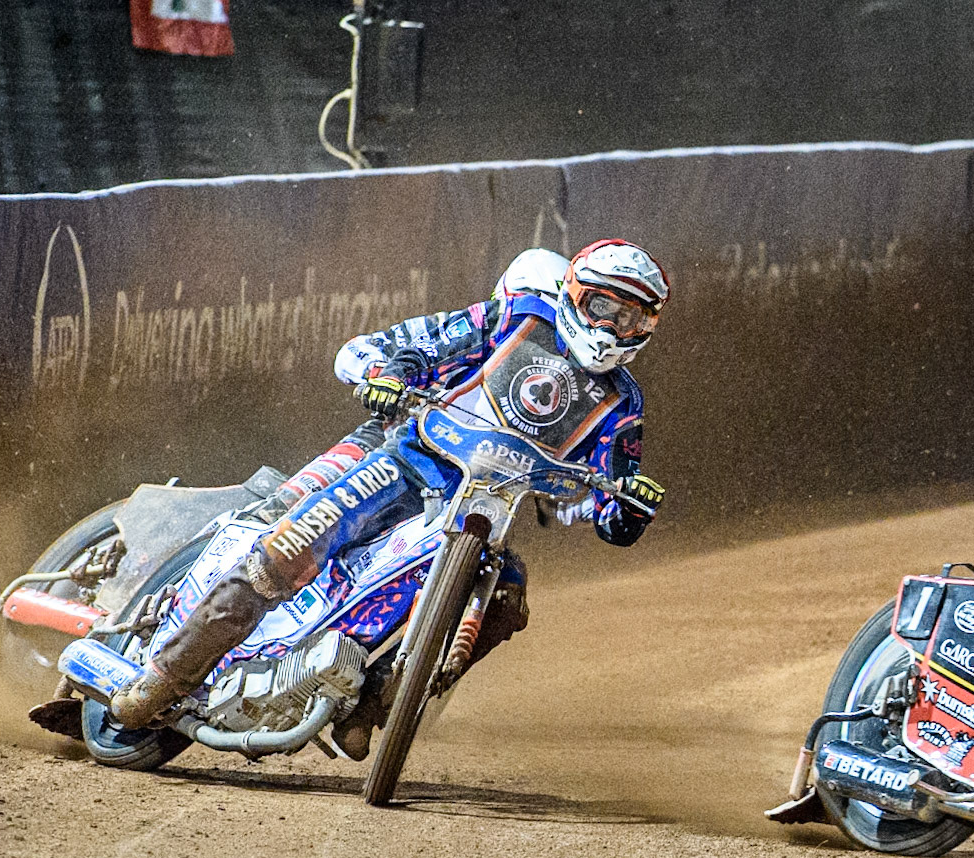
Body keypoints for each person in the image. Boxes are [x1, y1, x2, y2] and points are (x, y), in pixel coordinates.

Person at [106, 240, 670, 747]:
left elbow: (613, 511)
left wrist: (632, 508)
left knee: (506, 595)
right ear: (575, 296)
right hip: (407, 463)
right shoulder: (517, 316)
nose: (613, 327)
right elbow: (428, 343)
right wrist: (392, 375)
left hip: (484, 508)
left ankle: (372, 709)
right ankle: (165, 677)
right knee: (293, 543)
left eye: (631, 317)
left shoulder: (623, 403)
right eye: (604, 308)